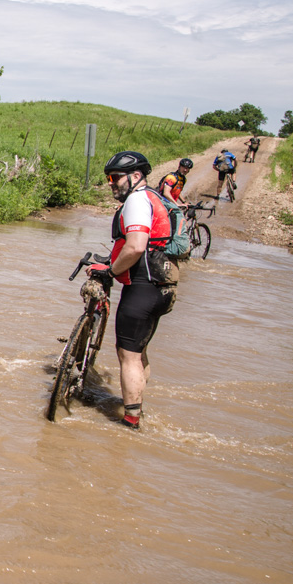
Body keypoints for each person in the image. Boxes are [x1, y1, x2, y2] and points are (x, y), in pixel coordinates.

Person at [86, 151, 177, 429]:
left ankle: (130, 420)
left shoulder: (137, 200)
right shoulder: (151, 197)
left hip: (142, 284)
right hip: (162, 285)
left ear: (135, 176)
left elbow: (136, 245)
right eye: (108, 179)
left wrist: (111, 271)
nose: (111, 183)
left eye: (115, 178)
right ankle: (138, 406)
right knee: (139, 349)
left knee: (128, 355)